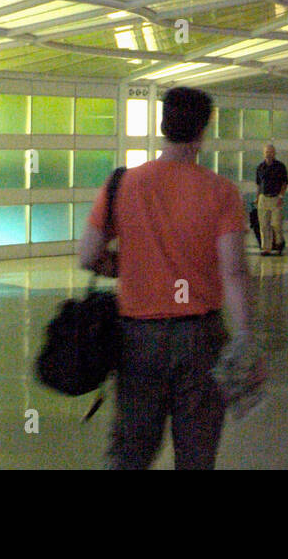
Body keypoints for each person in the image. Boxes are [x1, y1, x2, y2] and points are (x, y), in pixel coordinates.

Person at [78, 87, 252, 469]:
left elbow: (88, 256)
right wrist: (243, 337)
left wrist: (129, 266)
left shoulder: (123, 184)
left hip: (137, 337)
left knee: (131, 454)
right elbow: (234, 272)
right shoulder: (221, 192)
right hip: (201, 338)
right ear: (203, 131)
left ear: (162, 125)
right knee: (196, 455)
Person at [254, 143, 288, 256]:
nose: (268, 154)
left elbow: (285, 183)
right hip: (263, 198)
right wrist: (257, 198)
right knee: (264, 225)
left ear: (274, 153)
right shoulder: (260, 167)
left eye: (270, 152)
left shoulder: (280, 167)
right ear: (264, 154)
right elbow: (259, 185)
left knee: (276, 224)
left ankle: (279, 243)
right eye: (266, 152)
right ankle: (266, 248)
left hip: (275, 198)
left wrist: (281, 196)